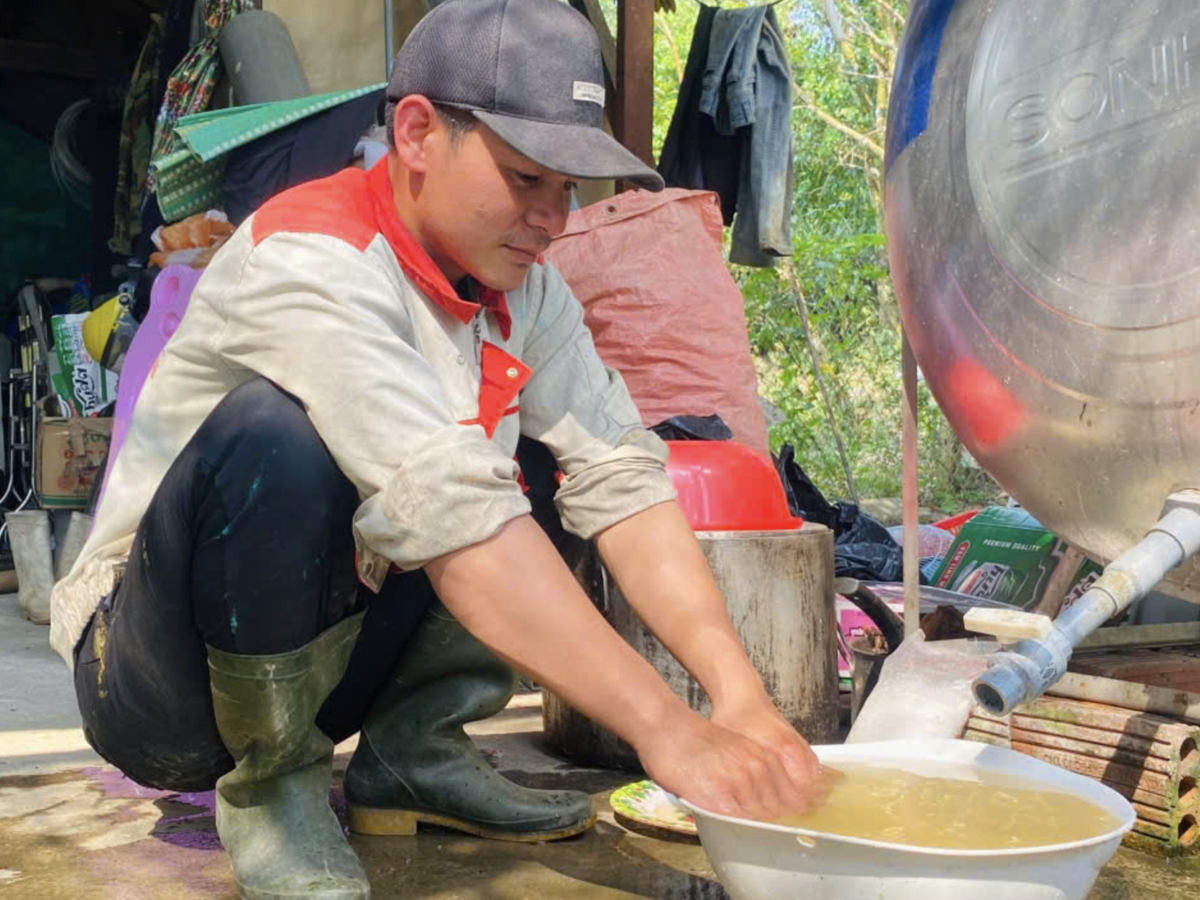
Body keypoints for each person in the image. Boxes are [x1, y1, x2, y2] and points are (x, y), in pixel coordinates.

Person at [50, 1, 830, 898]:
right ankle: (273, 790)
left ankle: (416, 753)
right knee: (281, 436)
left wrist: (738, 698)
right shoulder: (310, 256)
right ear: (418, 133)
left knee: (548, 452)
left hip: (331, 656)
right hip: (159, 686)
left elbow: (621, 477)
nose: (553, 218)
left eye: (567, 188)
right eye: (526, 177)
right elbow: (454, 515)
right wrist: (664, 728)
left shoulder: (525, 291)